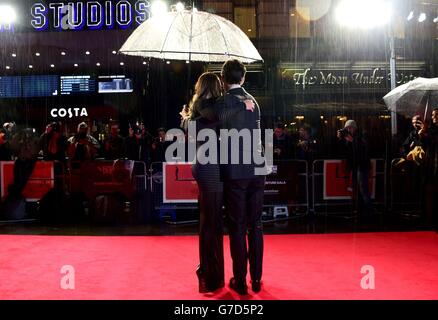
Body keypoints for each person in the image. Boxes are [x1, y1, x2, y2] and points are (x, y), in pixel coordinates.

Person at [180, 72, 254, 293]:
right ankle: (207, 276)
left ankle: (214, 276)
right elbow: (216, 119)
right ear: (214, 87)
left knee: (211, 224)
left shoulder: (203, 108)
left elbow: (199, 127)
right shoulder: (208, 105)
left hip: (210, 167)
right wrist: (243, 106)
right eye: (219, 84)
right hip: (208, 168)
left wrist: (185, 119)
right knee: (210, 224)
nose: (223, 86)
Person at [219, 59, 266, 294]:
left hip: (236, 172)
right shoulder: (253, 102)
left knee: (237, 226)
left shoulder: (224, 102)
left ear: (223, 79)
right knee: (255, 225)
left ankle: (240, 280)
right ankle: (256, 279)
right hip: (257, 169)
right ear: (243, 78)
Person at [337, 119, 372, 216]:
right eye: (347, 128)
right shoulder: (350, 137)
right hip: (355, 166)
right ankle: (361, 211)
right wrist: (341, 139)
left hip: (362, 166)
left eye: (349, 128)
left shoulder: (362, 135)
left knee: (363, 189)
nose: (348, 130)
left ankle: (369, 212)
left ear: (354, 128)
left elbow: (364, 149)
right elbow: (344, 151)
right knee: (358, 190)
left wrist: (353, 141)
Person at [421, 108, 438, 231]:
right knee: (429, 192)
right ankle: (429, 219)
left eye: (436, 115)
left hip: (435, 164)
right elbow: (426, 145)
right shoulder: (431, 129)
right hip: (430, 164)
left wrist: (426, 133)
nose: (434, 117)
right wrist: (422, 135)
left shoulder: (432, 131)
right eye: (433, 115)